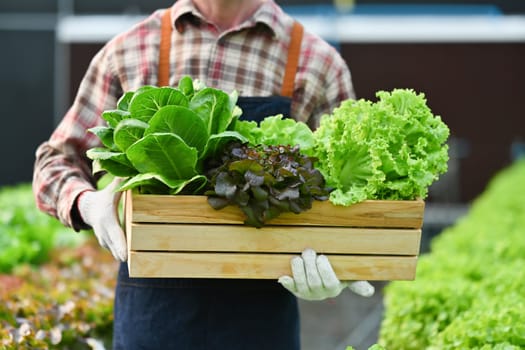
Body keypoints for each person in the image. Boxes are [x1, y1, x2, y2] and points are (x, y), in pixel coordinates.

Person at [33, 0, 374, 349]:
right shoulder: (132, 50)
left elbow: (345, 187)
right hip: (153, 320)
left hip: (260, 323)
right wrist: (87, 203)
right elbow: (56, 160)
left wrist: (337, 264)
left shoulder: (317, 62)